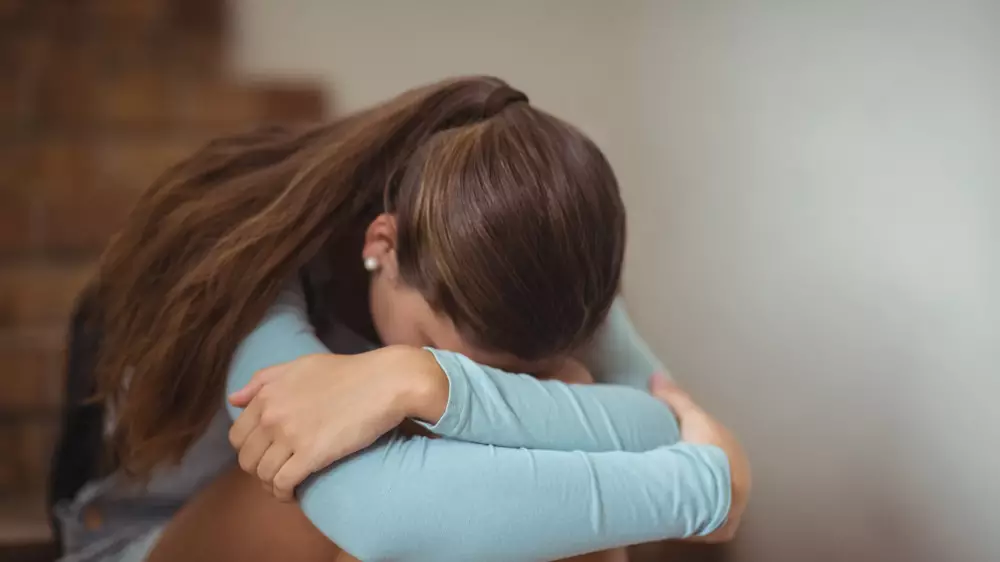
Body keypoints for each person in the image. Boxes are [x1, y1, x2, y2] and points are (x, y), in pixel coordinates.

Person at [60, 76, 748, 562]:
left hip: (384, 521)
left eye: (506, 375)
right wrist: (698, 488)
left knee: (555, 425)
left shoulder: (535, 273)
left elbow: (660, 419)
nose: (461, 375)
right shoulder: (257, 258)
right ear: (381, 246)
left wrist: (424, 380)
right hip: (152, 539)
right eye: (435, 347)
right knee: (386, 469)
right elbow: (379, 514)